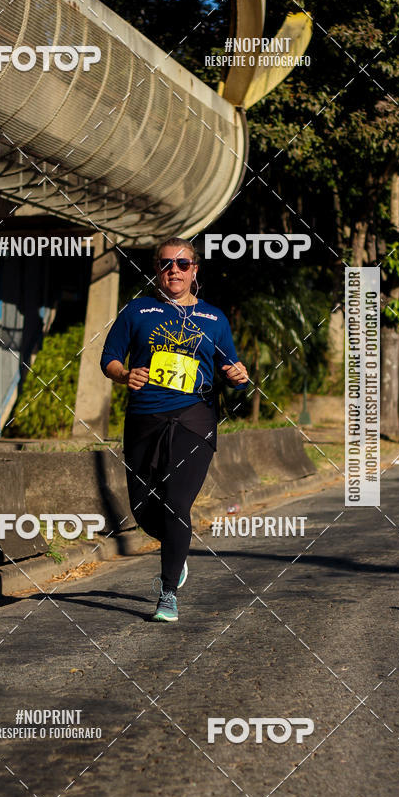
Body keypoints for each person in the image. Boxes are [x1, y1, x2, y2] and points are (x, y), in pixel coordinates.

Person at [100, 238, 248, 622]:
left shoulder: (214, 319)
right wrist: (124, 374)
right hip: (144, 420)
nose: (175, 270)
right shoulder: (137, 310)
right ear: (157, 269)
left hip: (195, 419)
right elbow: (110, 359)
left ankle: (167, 594)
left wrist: (238, 376)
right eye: (167, 264)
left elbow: (232, 370)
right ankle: (176, 552)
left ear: (194, 270)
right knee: (143, 509)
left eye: (183, 264)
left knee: (177, 503)